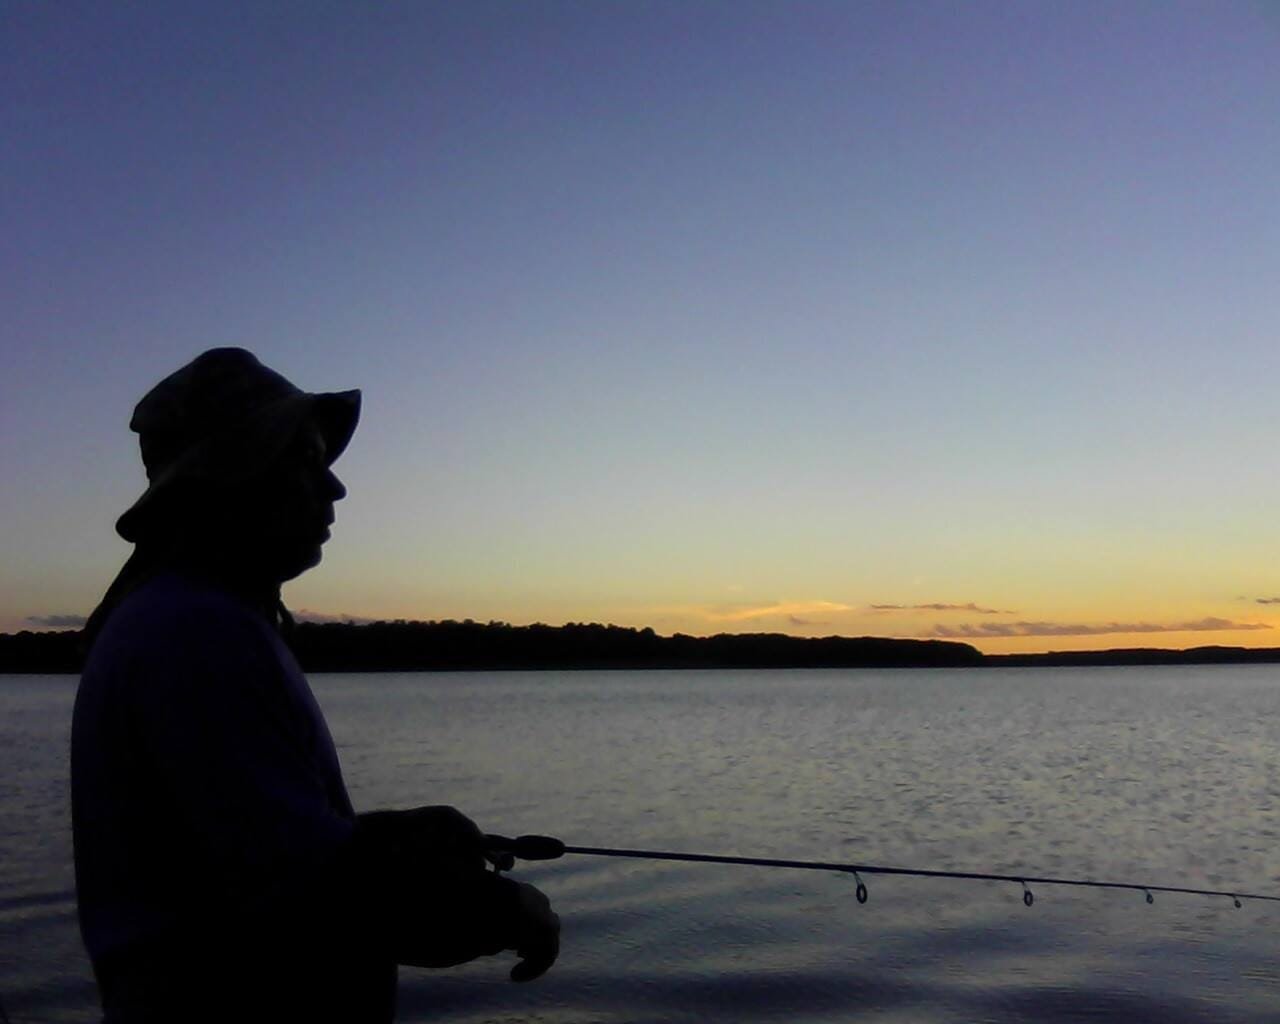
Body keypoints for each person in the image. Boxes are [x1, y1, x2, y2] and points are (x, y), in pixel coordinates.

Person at [72, 348, 559, 1023]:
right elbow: (302, 896)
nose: (334, 488)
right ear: (229, 476)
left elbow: (261, 846)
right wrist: (501, 910)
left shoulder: (194, 621)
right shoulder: (198, 633)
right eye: (304, 459)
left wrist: (417, 836)